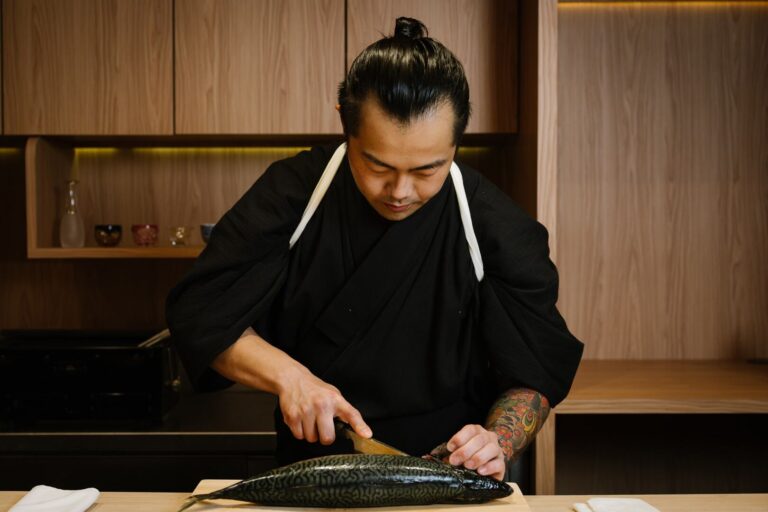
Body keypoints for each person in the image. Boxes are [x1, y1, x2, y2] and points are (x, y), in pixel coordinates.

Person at [166, 17, 583, 481]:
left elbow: (537, 370)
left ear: (456, 143)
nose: (400, 190)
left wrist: (496, 441)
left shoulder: (493, 225)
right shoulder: (294, 195)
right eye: (377, 164)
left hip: (450, 476)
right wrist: (291, 378)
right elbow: (201, 314)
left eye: (428, 169)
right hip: (311, 470)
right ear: (346, 127)